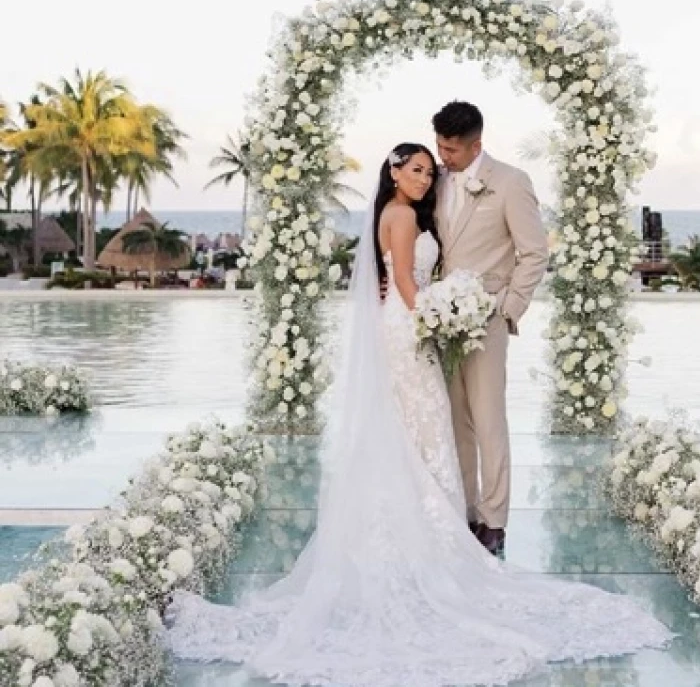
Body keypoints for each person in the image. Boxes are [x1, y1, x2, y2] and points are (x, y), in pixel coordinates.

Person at [165, 142, 671, 687]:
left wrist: (435, 310)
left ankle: (421, 529)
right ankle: (425, 537)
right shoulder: (401, 215)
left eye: (430, 171)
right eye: (416, 170)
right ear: (394, 171)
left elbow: (405, 279)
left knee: (413, 432)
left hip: (409, 327)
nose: (426, 179)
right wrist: (435, 317)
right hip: (410, 331)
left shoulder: (403, 211)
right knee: (423, 430)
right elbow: (407, 281)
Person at [433, 101, 549, 555]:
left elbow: (534, 252)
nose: (444, 157)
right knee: (453, 424)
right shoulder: (436, 179)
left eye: (452, 150)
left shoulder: (511, 182)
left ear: (476, 144)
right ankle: (465, 512)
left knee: (488, 422)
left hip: (487, 322)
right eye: (440, 146)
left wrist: (507, 308)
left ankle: (495, 520)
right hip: (440, 322)